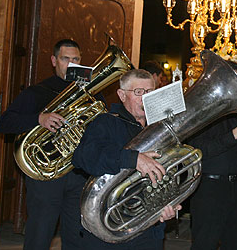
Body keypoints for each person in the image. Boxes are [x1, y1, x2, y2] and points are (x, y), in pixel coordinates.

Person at [72, 69, 179, 249]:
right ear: (122, 95)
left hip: (148, 229)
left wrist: (168, 204)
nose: (145, 98)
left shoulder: (160, 129)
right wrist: (133, 159)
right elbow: (83, 157)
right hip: (111, 228)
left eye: (150, 92)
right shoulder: (106, 122)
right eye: (138, 92)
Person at [0, 39, 87, 249]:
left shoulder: (87, 91)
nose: (71, 64)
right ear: (54, 61)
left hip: (78, 173)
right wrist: (39, 119)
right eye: (66, 59)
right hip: (45, 176)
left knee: (77, 235)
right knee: (40, 233)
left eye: (76, 60)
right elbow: (5, 123)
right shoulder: (37, 92)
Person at [187, 111, 237, 249]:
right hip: (209, 188)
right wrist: (235, 134)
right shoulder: (201, 111)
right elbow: (198, 150)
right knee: (205, 243)